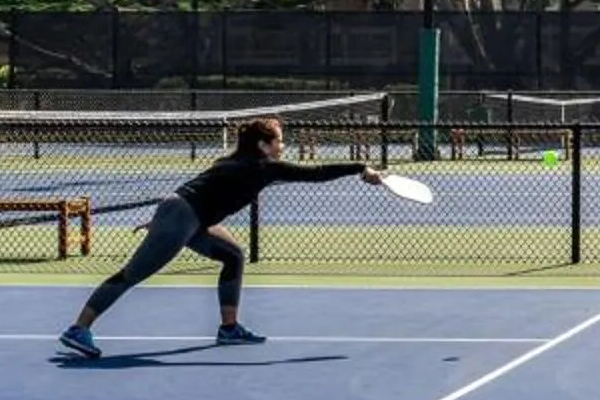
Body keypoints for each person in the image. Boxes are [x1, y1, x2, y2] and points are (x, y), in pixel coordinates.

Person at [56, 115, 380, 359]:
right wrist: (359, 167)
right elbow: (316, 174)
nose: (283, 145)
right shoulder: (262, 167)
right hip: (182, 216)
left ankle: (229, 328)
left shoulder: (246, 165)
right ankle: (79, 328)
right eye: (279, 140)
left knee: (232, 255)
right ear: (263, 146)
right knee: (132, 275)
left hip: (190, 218)